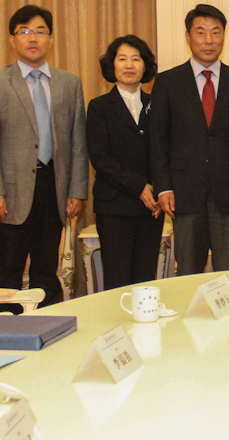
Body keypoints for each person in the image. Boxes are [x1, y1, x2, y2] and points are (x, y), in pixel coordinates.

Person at [0, 5, 89, 308]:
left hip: (54, 187)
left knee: (46, 270)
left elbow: (77, 141)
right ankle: (4, 329)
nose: (33, 38)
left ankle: (48, 327)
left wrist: (76, 190)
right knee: (9, 272)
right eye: (24, 32)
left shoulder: (69, 83)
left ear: (51, 38)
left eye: (40, 31)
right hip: (9, 193)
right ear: (12, 40)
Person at [151, 4, 229, 276]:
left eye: (215, 32)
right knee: (187, 270)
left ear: (224, 36)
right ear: (188, 36)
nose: (208, 40)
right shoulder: (167, 82)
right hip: (184, 193)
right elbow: (158, 140)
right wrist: (163, 188)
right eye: (201, 32)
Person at [87, 35, 164, 290]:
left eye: (136, 59)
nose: (129, 65)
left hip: (151, 207)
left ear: (145, 66)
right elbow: (100, 157)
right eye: (122, 59)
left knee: (145, 279)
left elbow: (165, 152)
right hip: (115, 206)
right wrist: (139, 187)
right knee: (117, 279)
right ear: (112, 65)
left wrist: (159, 190)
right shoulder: (99, 107)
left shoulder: (158, 104)